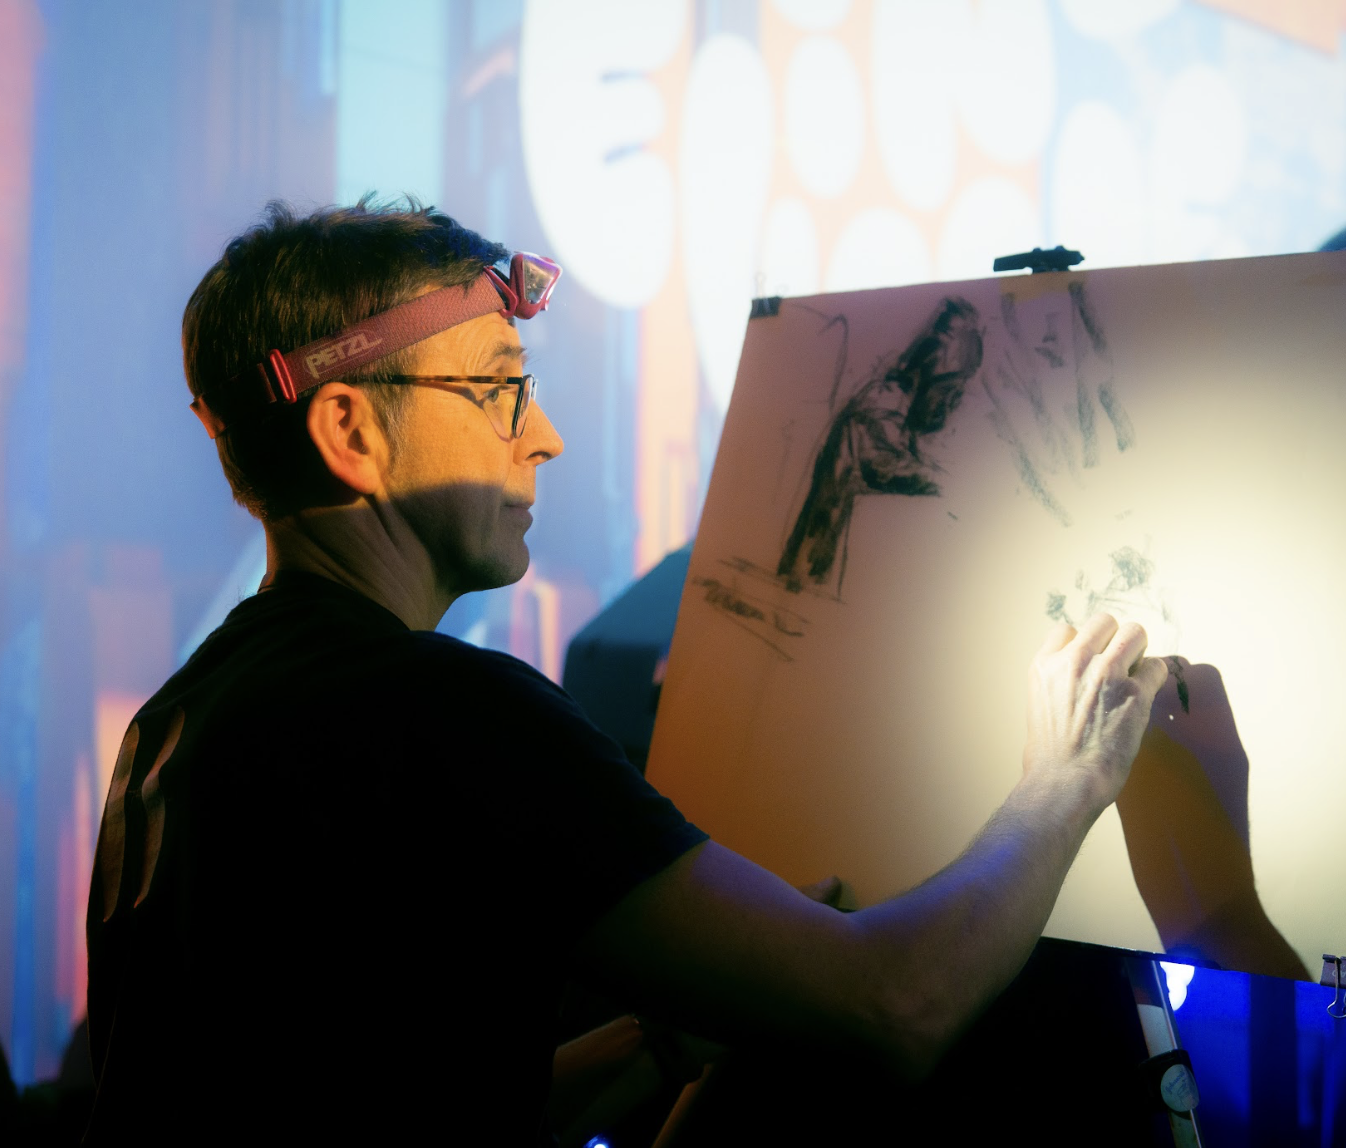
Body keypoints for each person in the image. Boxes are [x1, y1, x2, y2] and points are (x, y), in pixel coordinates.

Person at [84, 199, 1168, 1145]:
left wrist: (664, 1035)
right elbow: (896, 1005)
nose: (544, 436)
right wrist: (1064, 776)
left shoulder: (187, 715)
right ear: (350, 430)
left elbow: (370, 1098)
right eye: (500, 388)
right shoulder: (441, 712)